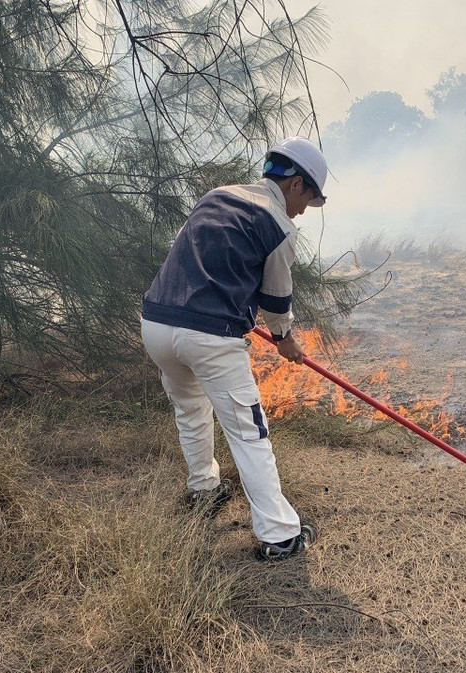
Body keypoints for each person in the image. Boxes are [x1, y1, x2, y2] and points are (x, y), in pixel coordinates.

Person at [140, 137, 327, 561]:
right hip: (209, 335)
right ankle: (280, 535)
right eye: (307, 200)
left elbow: (194, 259)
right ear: (296, 184)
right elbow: (276, 300)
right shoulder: (279, 226)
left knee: (190, 409)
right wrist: (285, 338)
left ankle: (203, 490)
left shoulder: (216, 196)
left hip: (156, 323)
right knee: (249, 432)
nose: (303, 211)